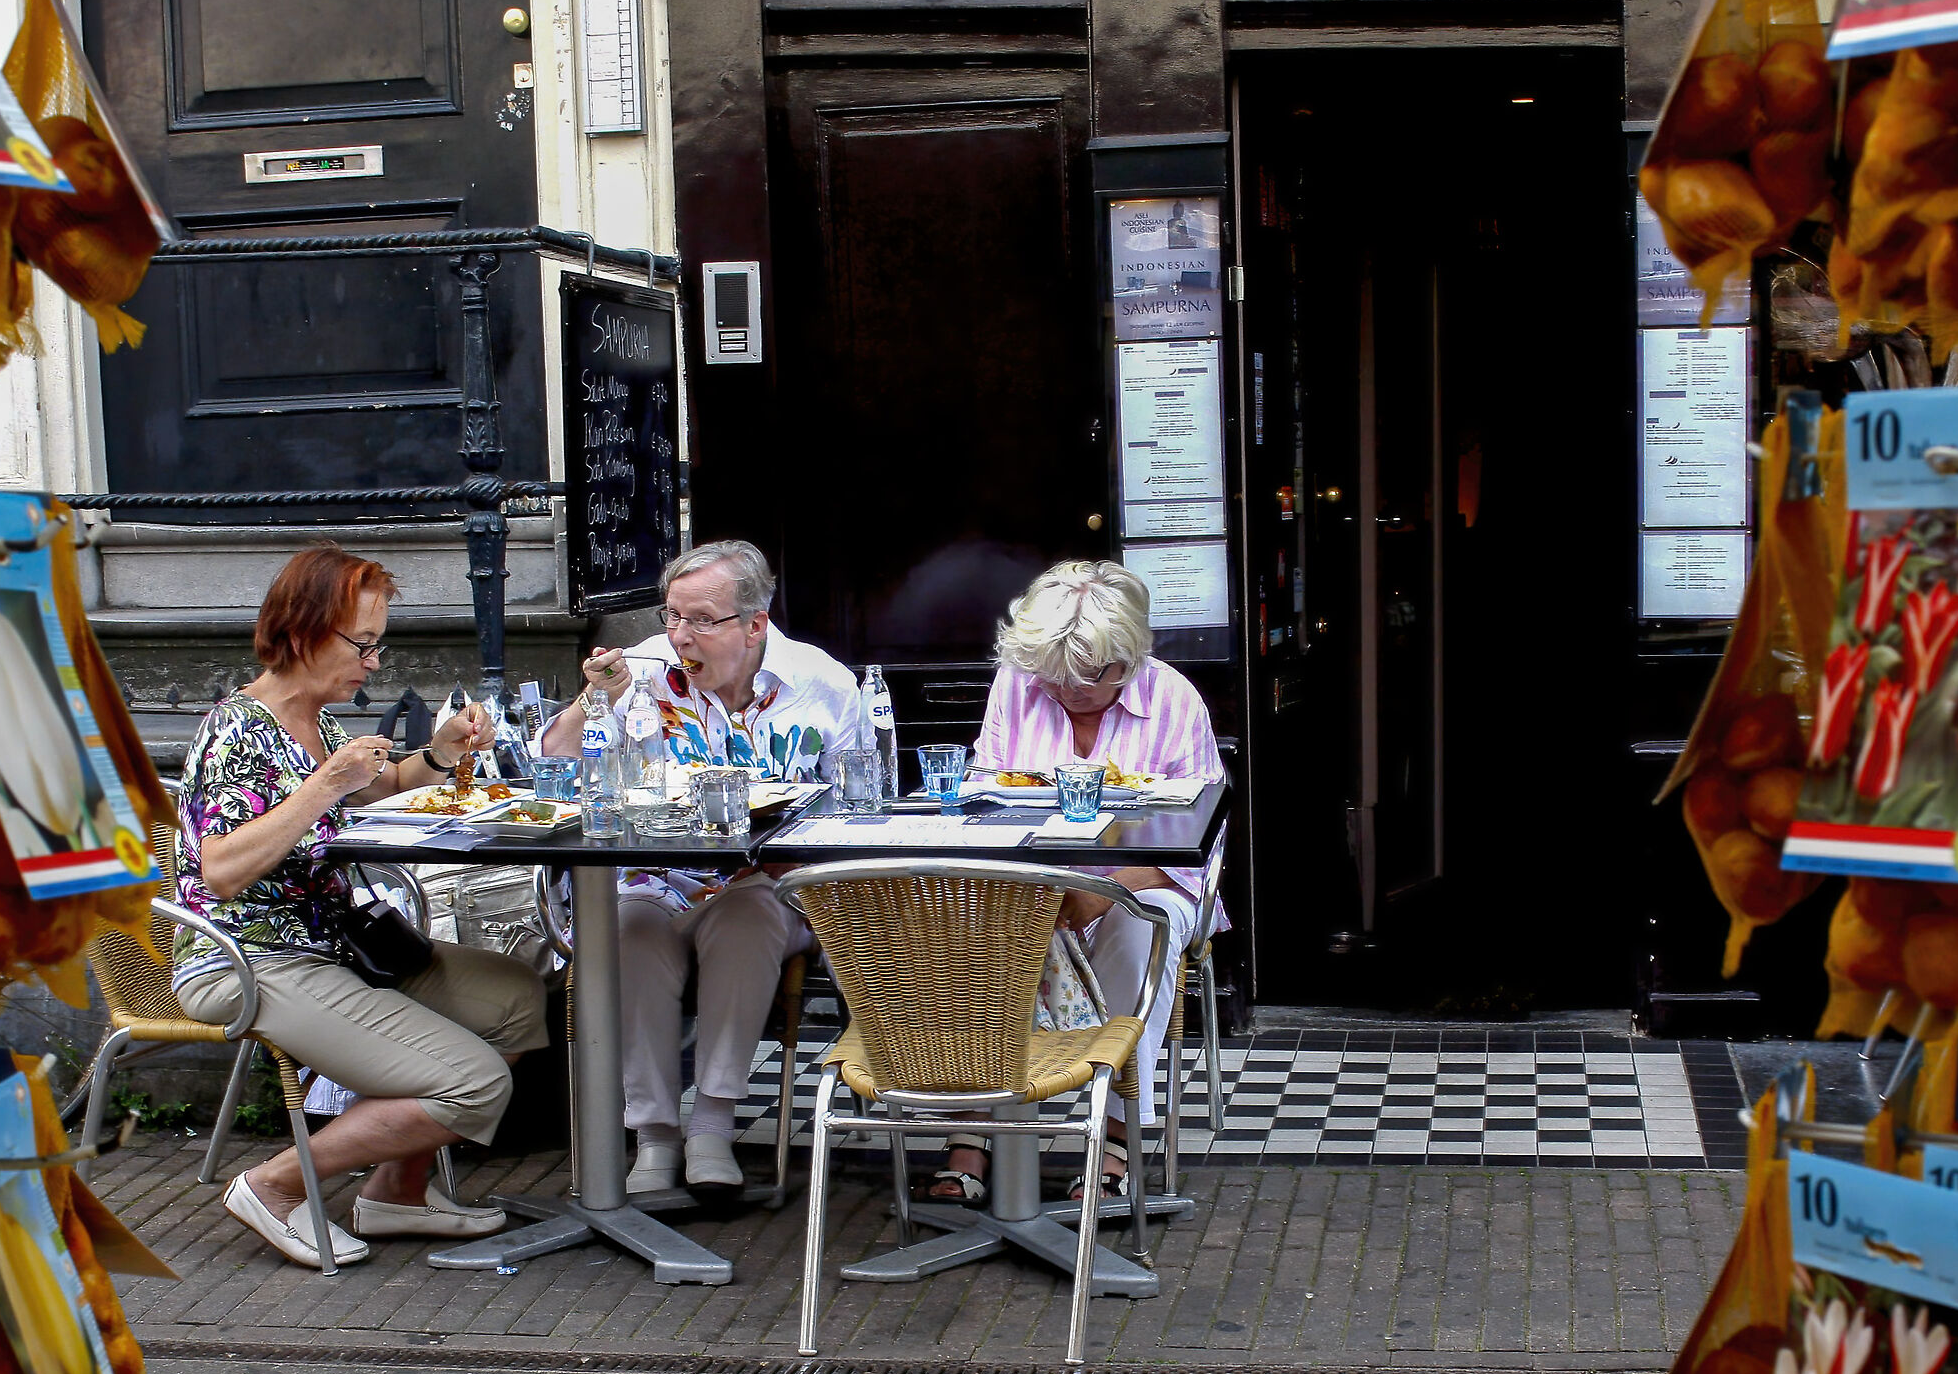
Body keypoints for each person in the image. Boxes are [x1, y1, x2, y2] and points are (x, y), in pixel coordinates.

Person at [173, 544, 551, 1269]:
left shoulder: (318, 721)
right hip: (249, 955)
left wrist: (438, 752)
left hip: (339, 943)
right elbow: (219, 870)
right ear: (303, 630)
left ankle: (396, 1192)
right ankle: (275, 1185)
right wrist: (322, 788)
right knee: (475, 1082)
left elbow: (385, 785)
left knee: (516, 997)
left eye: (378, 645)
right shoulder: (239, 730)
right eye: (363, 645)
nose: (374, 663)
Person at [541, 540, 865, 1195]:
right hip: (657, 878)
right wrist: (593, 699)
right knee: (626, 925)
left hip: (772, 887)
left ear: (754, 624)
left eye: (701, 620)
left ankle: (713, 1124)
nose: (680, 636)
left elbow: (859, 806)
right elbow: (552, 762)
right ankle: (655, 1133)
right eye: (671, 616)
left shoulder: (823, 685)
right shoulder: (640, 671)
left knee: (747, 914)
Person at [929, 559, 1226, 1206]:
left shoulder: (1174, 701)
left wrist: (1105, 888)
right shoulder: (1018, 683)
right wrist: (1034, 886)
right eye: (1055, 675)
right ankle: (978, 1125)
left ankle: (1117, 1136)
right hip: (1030, 879)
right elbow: (986, 794)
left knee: (1136, 918)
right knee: (976, 924)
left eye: (1093, 675)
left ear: (1130, 653)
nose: (1071, 690)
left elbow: (1198, 845)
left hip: (1148, 879)